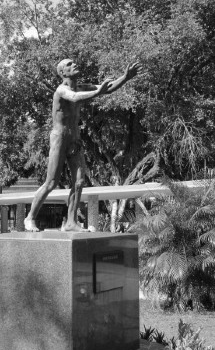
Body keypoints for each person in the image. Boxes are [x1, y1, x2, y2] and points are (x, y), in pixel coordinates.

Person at [24, 58, 140, 232]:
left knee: (79, 182)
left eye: (74, 63)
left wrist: (125, 77)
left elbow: (106, 88)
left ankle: (71, 222)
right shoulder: (62, 89)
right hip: (59, 138)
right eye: (69, 64)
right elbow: (75, 97)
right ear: (63, 73)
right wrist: (98, 91)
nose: (75, 64)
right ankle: (30, 217)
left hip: (74, 137)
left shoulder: (82, 86)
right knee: (51, 182)